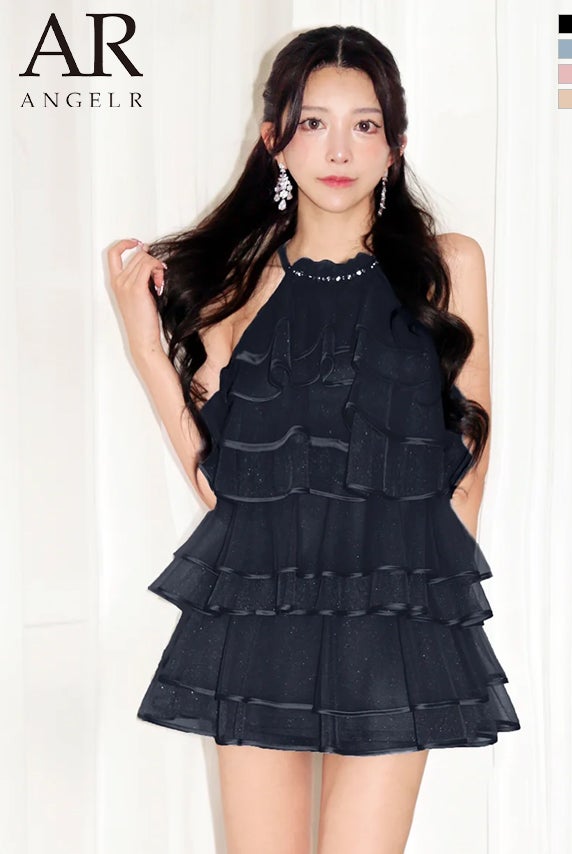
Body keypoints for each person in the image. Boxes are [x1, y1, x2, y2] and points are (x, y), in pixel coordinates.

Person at [107, 24, 520, 854]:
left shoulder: (449, 267)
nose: (339, 150)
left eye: (365, 125)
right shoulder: (234, 292)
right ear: (275, 140)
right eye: (312, 123)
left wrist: (430, 620)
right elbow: (226, 491)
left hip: (394, 618)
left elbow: (468, 462)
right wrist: (147, 349)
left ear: (395, 144)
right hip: (264, 620)